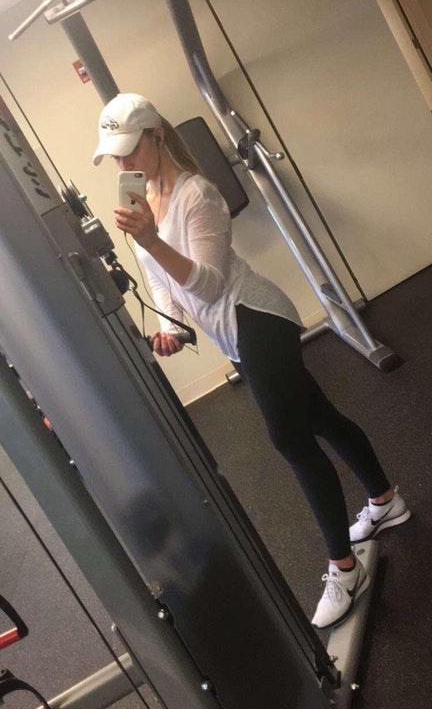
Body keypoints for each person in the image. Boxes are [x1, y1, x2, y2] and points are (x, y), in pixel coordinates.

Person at [93, 93, 411, 630]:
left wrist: (149, 236)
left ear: (157, 136)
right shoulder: (144, 198)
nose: (123, 162)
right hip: (234, 333)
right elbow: (159, 279)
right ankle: (385, 502)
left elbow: (210, 283)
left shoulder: (199, 194)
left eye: (130, 149)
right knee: (320, 417)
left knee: (291, 439)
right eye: (115, 155)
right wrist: (172, 326)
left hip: (259, 319)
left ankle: (344, 566)